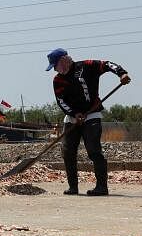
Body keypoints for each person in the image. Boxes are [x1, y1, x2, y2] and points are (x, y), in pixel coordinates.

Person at [46, 48, 131, 196]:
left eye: (55, 65)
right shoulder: (57, 80)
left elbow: (107, 64)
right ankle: (73, 187)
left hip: (92, 115)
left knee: (94, 150)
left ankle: (101, 187)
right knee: (68, 152)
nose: (55, 69)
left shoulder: (86, 66)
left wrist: (122, 73)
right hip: (72, 119)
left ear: (64, 60)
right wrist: (74, 114)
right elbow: (61, 101)